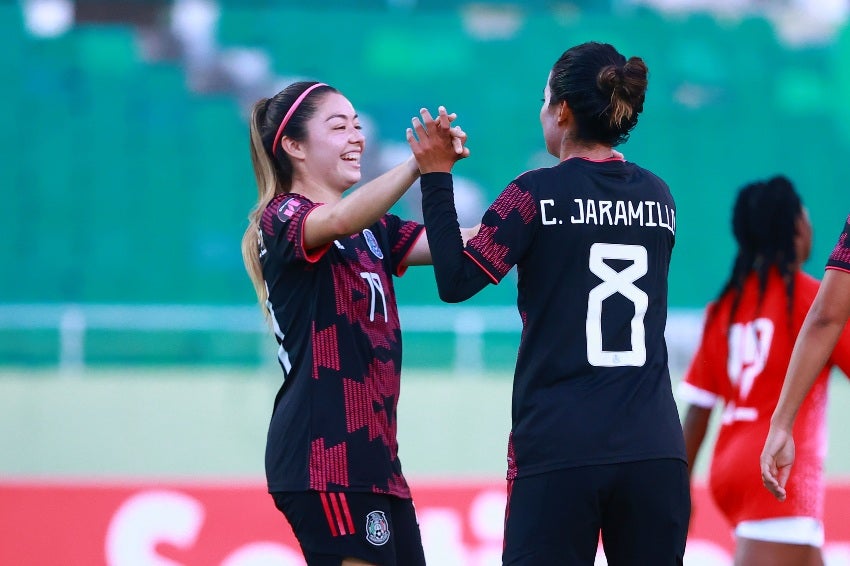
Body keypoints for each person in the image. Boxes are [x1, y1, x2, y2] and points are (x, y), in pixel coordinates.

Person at [406, 41, 689, 565]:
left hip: (561, 444)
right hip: (654, 446)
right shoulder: (659, 196)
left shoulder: (533, 193)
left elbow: (456, 280)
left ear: (562, 111)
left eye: (544, 101)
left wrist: (437, 175)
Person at [241, 80, 473, 566]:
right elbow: (340, 220)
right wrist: (417, 164)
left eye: (358, 125)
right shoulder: (281, 217)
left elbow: (458, 242)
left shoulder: (375, 228)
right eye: (339, 126)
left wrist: (540, 216)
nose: (356, 137)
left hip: (376, 463)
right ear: (294, 146)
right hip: (324, 459)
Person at [679, 177, 850, 566]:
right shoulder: (814, 302)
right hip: (779, 468)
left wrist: (682, 487)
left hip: (729, 467)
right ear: (795, 227)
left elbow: (698, 413)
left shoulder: (724, 307)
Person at [761, 214, 850, 503]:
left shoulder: (725, 304)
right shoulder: (804, 293)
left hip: (748, 463)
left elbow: (826, 318)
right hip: (791, 480)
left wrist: (781, 424)